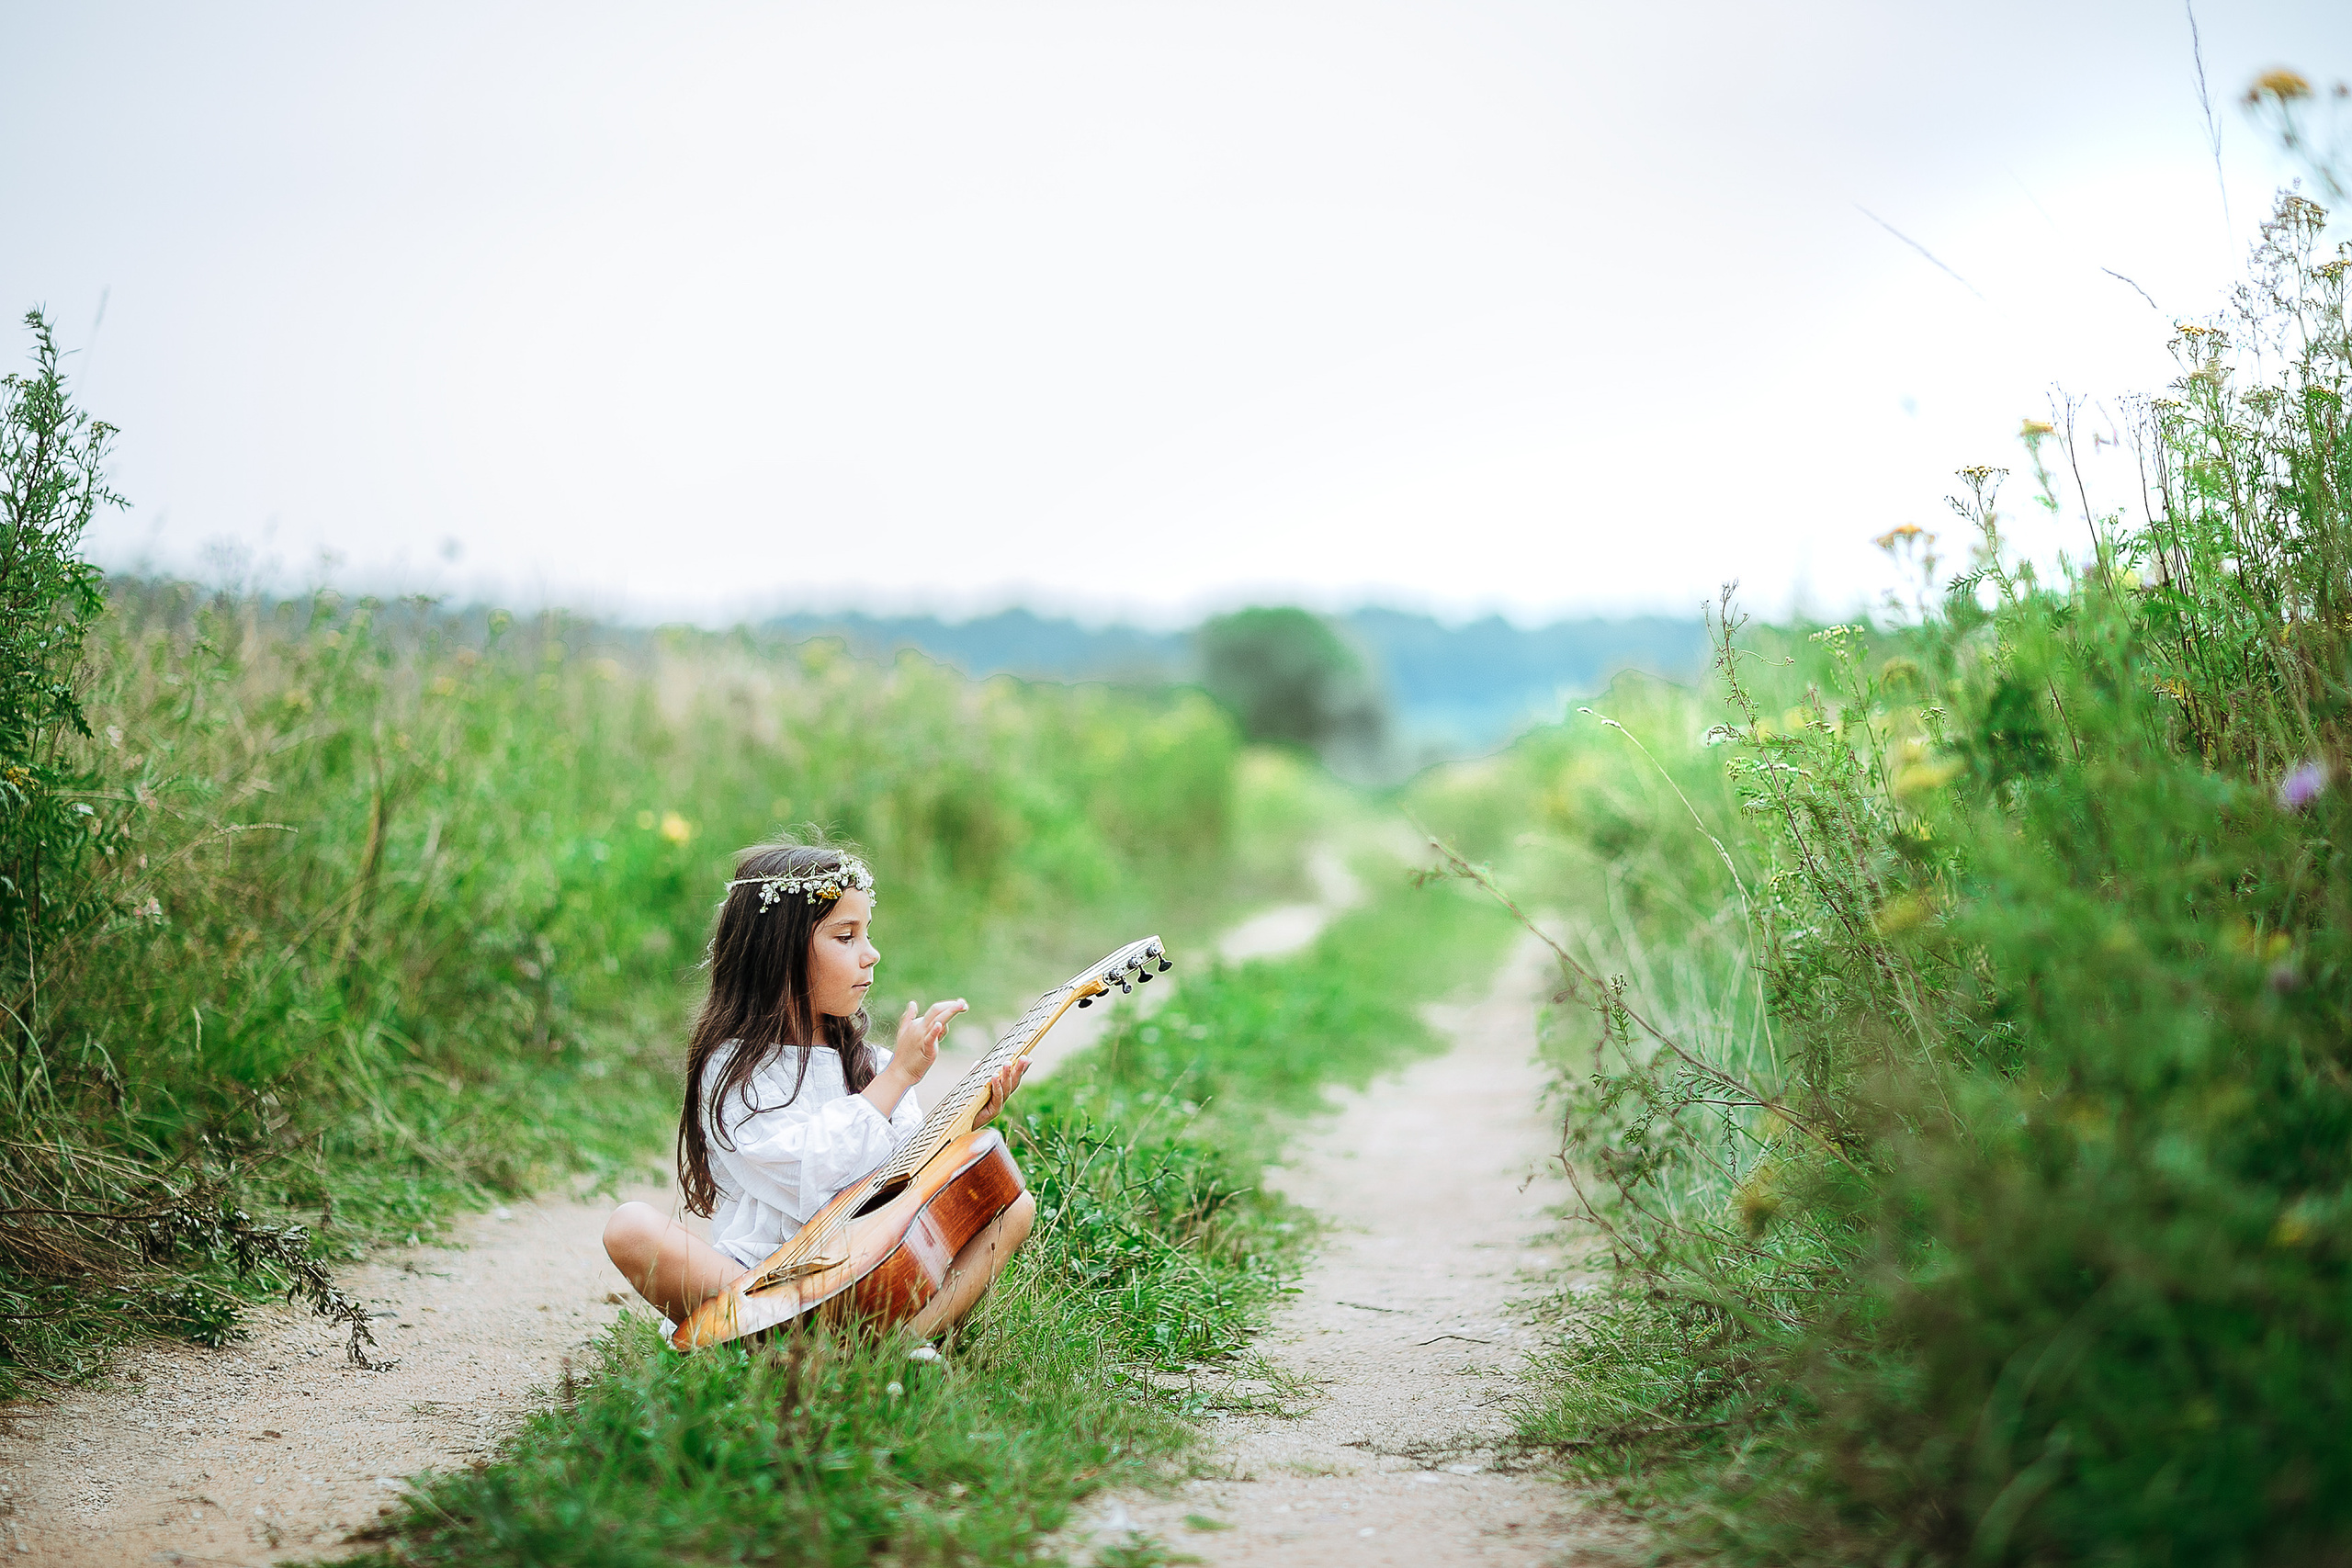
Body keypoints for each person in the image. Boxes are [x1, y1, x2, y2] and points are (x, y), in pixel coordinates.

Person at [602, 840, 1034, 1337]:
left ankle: (898, 1347)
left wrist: (961, 1127)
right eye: (846, 936)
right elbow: (804, 1175)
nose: (871, 954)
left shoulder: (872, 1063)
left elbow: (902, 1186)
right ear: (780, 952)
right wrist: (896, 1082)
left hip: (867, 1272)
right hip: (765, 1285)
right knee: (630, 1227)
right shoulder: (734, 1067)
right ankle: (789, 1341)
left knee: (1012, 1202)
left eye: (866, 934)